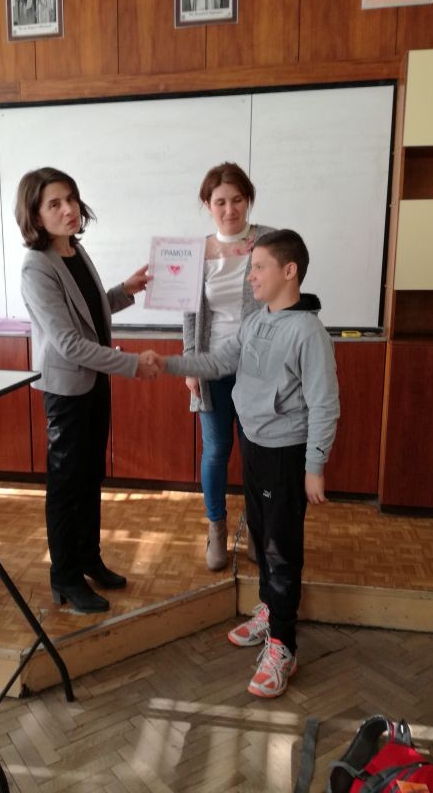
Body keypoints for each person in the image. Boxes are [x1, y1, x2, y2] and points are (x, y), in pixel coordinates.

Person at [157, 229, 340, 697]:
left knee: (281, 547)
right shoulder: (257, 320)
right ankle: (270, 611)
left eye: (258, 267)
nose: (250, 276)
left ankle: (284, 644)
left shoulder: (308, 332)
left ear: (289, 271)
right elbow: (219, 361)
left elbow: (324, 405)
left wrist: (314, 465)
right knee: (260, 532)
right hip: (255, 444)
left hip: (286, 453)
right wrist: (169, 365)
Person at [16, 167, 159, 615]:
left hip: (94, 382)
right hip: (66, 389)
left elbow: (90, 313)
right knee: (66, 485)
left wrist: (125, 290)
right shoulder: (37, 266)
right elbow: (70, 343)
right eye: (54, 204)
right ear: (35, 215)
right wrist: (132, 365)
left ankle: (88, 558)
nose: (68, 209)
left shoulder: (74, 250)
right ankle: (64, 576)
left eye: (71, 199)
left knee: (90, 475)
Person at [184, 162, 273, 571]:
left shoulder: (270, 241)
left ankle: (257, 527)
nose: (230, 209)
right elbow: (189, 314)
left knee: (257, 451)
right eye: (220, 201)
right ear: (208, 204)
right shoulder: (195, 251)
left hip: (259, 366)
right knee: (217, 449)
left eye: (237, 200)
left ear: (248, 200)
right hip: (213, 365)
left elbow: (286, 295)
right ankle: (216, 529)